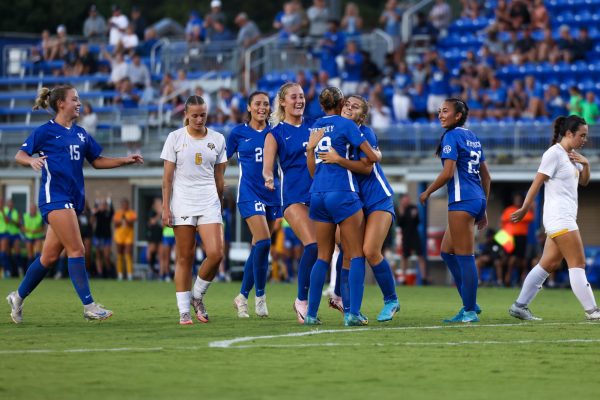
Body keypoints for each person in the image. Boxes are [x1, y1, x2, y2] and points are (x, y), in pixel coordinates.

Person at [6, 85, 143, 324]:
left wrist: (125, 160)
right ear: (61, 104)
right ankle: (89, 306)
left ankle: (17, 296)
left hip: (72, 200)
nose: (79, 103)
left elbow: (97, 161)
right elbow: (20, 155)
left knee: (47, 259)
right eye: (75, 99)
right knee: (77, 249)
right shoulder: (45, 131)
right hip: (54, 198)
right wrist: (31, 161)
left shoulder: (80, 133)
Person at [509, 115, 600, 321]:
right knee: (578, 263)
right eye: (582, 135)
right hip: (560, 217)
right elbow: (537, 182)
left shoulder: (572, 155)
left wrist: (586, 164)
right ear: (569, 133)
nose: (585, 139)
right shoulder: (554, 154)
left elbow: (584, 182)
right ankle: (593, 311)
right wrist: (524, 208)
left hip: (563, 217)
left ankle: (519, 306)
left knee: (547, 264)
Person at [303, 87, 381, 326]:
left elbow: (313, 169)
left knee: (322, 257)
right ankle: (352, 313)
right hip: (343, 193)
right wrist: (375, 152)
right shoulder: (346, 125)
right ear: (340, 104)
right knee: (355, 254)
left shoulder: (316, 126)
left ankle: (311, 314)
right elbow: (372, 158)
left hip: (317, 193)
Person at [319, 94, 400, 322]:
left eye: (355, 107)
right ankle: (348, 308)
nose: (349, 108)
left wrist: (338, 159)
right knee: (346, 251)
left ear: (362, 116)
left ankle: (391, 300)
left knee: (370, 250)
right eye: (347, 104)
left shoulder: (365, 133)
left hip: (377, 198)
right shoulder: (335, 131)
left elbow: (366, 168)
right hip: (353, 201)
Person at [419, 98, 491, 323]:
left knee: (465, 256)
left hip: (461, 200)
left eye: (445, 111)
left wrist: (427, 192)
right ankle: (469, 302)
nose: (440, 114)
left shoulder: (451, 137)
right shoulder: (472, 137)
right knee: (447, 252)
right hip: (476, 198)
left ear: (457, 115)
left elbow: (448, 173)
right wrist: (483, 205)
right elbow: (486, 176)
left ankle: (469, 310)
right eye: (439, 111)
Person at [161, 95, 227, 325]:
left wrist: (219, 201)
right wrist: (165, 207)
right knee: (185, 256)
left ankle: (197, 294)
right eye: (195, 115)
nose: (199, 119)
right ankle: (184, 311)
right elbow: (167, 178)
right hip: (183, 202)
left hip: (209, 201)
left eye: (203, 115)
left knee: (216, 253)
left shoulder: (218, 139)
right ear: (186, 115)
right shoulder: (175, 138)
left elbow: (220, 177)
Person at [263, 82, 318, 323]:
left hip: (320, 195)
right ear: (283, 102)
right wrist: (267, 178)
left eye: (302, 96)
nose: (299, 100)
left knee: (349, 246)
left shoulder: (316, 127)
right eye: (294, 97)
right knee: (314, 246)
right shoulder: (275, 133)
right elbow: (268, 166)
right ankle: (301, 300)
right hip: (294, 198)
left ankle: (339, 296)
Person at [228, 91, 280, 319]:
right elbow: (221, 160)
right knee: (264, 240)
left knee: (261, 246)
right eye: (257, 104)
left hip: (272, 193)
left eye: (266, 104)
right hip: (249, 193)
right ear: (249, 107)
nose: (262, 107)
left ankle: (251, 297)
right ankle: (251, 296)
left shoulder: (276, 131)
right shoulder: (238, 133)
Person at [500, 193, 533, 286]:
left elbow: (530, 218)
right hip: (508, 237)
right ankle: (505, 279)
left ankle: (518, 280)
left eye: (519, 199)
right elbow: (505, 221)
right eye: (516, 199)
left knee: (521, 260)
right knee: (508, 258)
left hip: (521, 237)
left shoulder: (525, 210)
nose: (517, 200)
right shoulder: (508, 210)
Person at [397, 194, 428, 284]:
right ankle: (403, 278)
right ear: (401, 200)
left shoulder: (413, 207)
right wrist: (402, 213)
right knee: (405, 256)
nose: (406, 201)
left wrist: (415, 215)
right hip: (405, 236)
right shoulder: (399, 209)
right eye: (405, 199)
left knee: (420, 255)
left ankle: (424, 277)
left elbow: (418, 221)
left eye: (407, 199)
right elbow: (399, 223)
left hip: (415, 235)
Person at [113, 198, 137, 281]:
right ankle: (120, 274)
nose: (124, 206)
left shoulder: (131, 213)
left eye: (126, 204)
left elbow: (132, 222)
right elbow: (115, 224)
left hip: (128, 236)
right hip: (119, 236)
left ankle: (129, 274)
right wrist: (121, 220)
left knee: (128, 254)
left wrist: (125, 219)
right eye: (123, 204)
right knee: (119, 255)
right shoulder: (118, 213)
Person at [92, 197, 114, 278]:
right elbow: (93, 216)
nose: (103, 206)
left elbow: (112, 210)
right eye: (102, 204)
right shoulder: (98, 213)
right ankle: (100, 273)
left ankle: (109, 272)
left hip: (107, 236)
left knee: (106, 256)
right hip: (98, 236)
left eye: (105, 204)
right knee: (98, 255)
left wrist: (110, 202)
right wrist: (96, 205)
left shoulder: (108, 213)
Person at [22, 203, 45, 269]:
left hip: (37, 236)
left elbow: (43, 228)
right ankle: (28, 270)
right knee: (30, 255)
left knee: (37, 254)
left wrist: (36, 231)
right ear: (29, 209)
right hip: (28, 237)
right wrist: (29, 230)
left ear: (36, 209)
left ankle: (37, 269)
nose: (33, 210)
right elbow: (22, 228)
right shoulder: (25, 216)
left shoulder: (40, 216)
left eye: (34, 209)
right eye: (31, 209)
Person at [146, 198, 163, 278]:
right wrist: (159, 214)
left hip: (160, 235)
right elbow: (152, 222)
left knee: (161, 254)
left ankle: (161, 274)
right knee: (151, 250)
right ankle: (150, 268)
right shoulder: (152, 212)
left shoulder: (163, 213)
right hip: (152, 235)